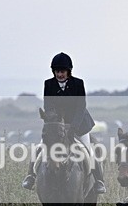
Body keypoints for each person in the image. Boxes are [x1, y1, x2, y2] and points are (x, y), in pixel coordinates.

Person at [21, 52, 106, 194]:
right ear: (53, 71)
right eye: (57, 71)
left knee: (87, 150)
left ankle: (99, 180)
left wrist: (73, 127)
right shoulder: (49, 84)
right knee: (39, 148)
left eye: (62, 71)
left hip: (79, 125)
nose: (60, 74)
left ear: (68, 71)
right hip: (55, 126)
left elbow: (81, 107)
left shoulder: (78, 83)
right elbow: (48, 106)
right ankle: (31, 176)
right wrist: (55, 123)